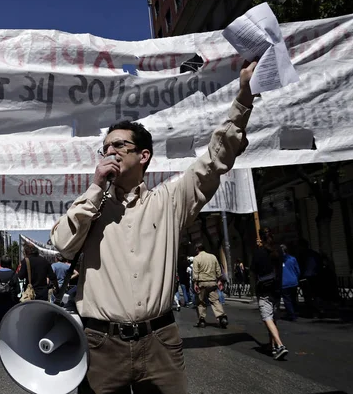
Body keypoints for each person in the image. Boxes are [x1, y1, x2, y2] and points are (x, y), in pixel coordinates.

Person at [50, 62, 257, 393]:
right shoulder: (90, 206)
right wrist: (94, 189)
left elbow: (215, 158)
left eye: (120, 146)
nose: (111, 153)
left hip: (160, 341)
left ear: (144, 155)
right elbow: (62, 244)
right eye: (106, 149)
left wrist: (244, 97)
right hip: (101, 344)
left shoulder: (170, 201)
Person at [252, 228, 289, 360]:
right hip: (277, 288)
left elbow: (254, 269)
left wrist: (258, 249)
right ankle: (272, 345)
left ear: (260, 238)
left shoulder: (259, 252)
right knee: (273, 318)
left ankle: (279, 345)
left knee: (267, 317)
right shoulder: (278, 250)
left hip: (264, 290)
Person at [192, 244, 228, 328]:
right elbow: (218, 270)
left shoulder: (196, 258)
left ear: (197, 249)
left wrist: (195, 283)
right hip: (212, 282)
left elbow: (195, 272)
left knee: (201, 302)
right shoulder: (213, 257)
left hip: (202, 283)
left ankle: (201, 320)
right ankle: (222, 317)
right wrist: (219, 280)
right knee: (215, 300)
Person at [0, 257, 21, 327]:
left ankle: (0, 336)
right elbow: (18, 289)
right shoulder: (13, 274)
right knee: (9, 323)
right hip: (10, 302)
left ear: (1, 263)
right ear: (10, 264)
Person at [281, 244, 300, 321]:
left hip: (284, 283)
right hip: (293, 281)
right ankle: (294, 312)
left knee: (287, 300)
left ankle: (291, 314)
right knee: (293, 298)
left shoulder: (280, 260)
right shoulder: (293, 259)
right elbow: (297, 270)